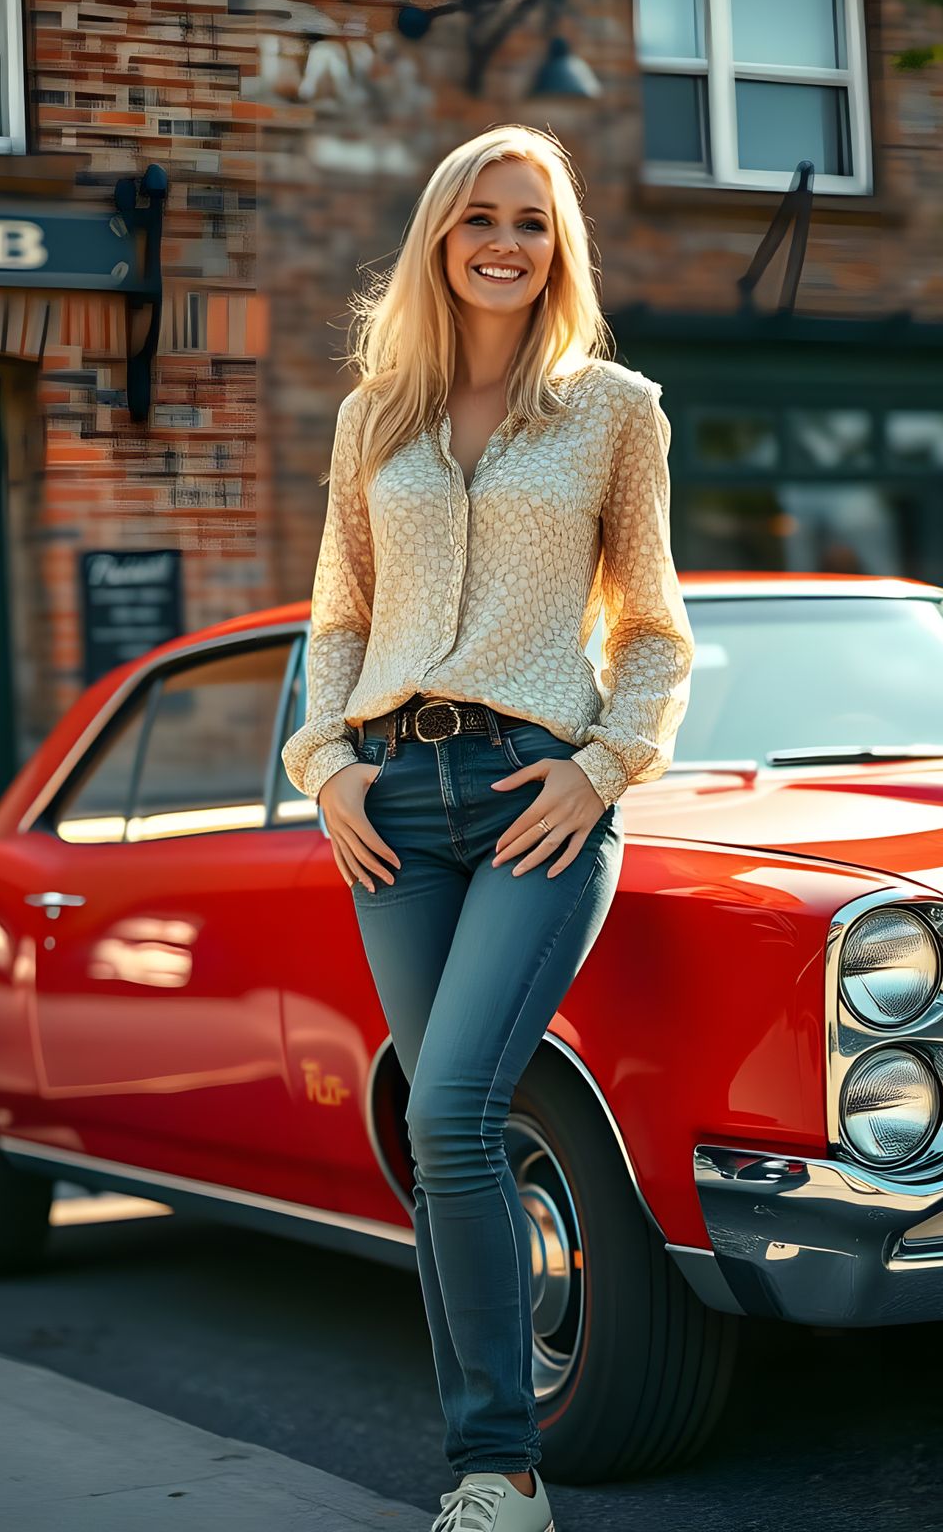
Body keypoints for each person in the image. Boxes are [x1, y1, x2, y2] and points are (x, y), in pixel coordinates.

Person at [280, 126, 694, 1532]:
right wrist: (327, 767)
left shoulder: (614, 413)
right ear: (439, 239)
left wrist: (604, 769)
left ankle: (499, 1472)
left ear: (558, 246)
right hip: (391, 806)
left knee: (453, 1104)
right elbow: (339, 619)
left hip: (535, 796)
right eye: (478, 217)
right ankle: (489, 1466)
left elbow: (652, 631)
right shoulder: (373, 420)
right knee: (438, 1126)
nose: (503, 242)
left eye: (529, 219)